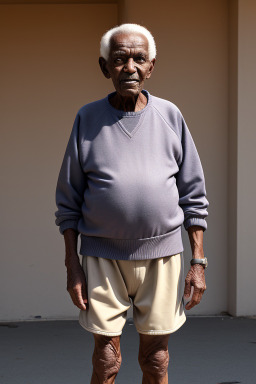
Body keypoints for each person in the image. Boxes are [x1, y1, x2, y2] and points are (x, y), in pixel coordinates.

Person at [55, 23, 209, 384]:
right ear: (104, 66)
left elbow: (194, 196)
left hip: (163, 257)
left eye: (139, 59)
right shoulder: (86, 119)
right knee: (106, 361)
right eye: (120, 59)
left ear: (151, 66)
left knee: (156, 360)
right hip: (101, 257)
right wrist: (71, 264)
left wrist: (198, 261)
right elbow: (68, 202)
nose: (130, 67)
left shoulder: (170, 116)